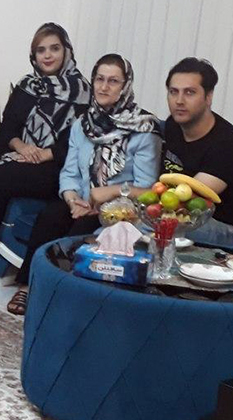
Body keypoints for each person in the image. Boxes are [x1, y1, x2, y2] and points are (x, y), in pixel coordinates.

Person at [8, 54, 160, 314]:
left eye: (113, 81)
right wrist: (72, 199)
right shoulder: (83, 124)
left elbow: (146, 189)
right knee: (51, 216)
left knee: (82, 227)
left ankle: (61, 296)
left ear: (126, 86)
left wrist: (107, 197)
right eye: (99, 79)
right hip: (82, 200)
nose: (104, 87)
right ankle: (27, 285)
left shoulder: (144, 129)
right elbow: (69, 172)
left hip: (123, 209)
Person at [0, 23, 90, 285]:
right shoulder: (28, 85)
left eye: (54, 49)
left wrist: (45, 154)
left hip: (55, 164)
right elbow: (8, 127)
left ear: (66, 51)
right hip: (21, 151)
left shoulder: (82, 92)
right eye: (41, 50)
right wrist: (22, 147)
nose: (47, 55)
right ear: (33, 55)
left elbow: (79, 140)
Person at [161, 57, 233, 243]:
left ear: (208, 97)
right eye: (173, 92)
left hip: (226, 229)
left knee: (159, 223)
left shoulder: (229, 144)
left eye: (189, 92)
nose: (179, 100)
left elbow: (189, 199)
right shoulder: (173, 126)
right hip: (181, 216)